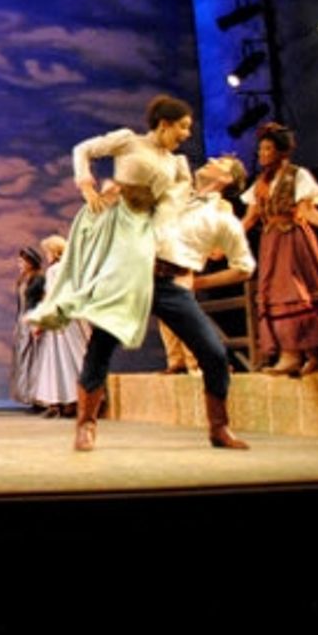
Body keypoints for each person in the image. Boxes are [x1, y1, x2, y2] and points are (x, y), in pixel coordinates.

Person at [29, 94, 195, 451]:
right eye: (182, 127)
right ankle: (86, 423)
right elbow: (83, 150)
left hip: (148, 239)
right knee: (102, 331)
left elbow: (174, 206)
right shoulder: (127, 140)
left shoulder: (178, 165)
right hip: (114, 228)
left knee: (195, 333)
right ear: (164, 124)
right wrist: (86, 183)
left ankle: (213, 410)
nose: (187, 134)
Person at [149, 155, 257, 448]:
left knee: (213, 353)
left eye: (219, 161)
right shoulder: (179, 193)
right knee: (102, 342)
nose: (210, 159)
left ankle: (219, 427)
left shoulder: (221, 209)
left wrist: (199, 280)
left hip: (176, 278)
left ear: (227, 179)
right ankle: (86, 424)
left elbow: (232, 257)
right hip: (140, 274)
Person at [241, 122, 318, 376]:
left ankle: (291, 355)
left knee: (292, 293)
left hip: (292, 238)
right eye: (260, 149)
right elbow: (250, 218)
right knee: (277, 294)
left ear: (281, 152)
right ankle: (314, 356)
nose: (262, 154)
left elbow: (306, 210)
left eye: (267, 149)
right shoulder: (261, 183)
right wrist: (227, 244)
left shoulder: (296, 175)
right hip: (271, 243)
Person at [28, 235, 88, 418]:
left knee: (56, 361)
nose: (46, 256)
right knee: (74, 358)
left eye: (47, 252)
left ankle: (59, 400)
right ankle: (75, 400)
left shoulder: (54, 270)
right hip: (72, 318)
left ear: (54, 252)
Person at [9, 246, 46, 409]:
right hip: (23, 321)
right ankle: (28, 396)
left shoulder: (39, 279)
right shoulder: (23, 279)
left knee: (35, 358)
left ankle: (38, 397)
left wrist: (39, 322)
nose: (19, 264)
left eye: (22, 261)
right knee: (24, 358)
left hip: (33, 320)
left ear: (30, 262)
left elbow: (43, 301)